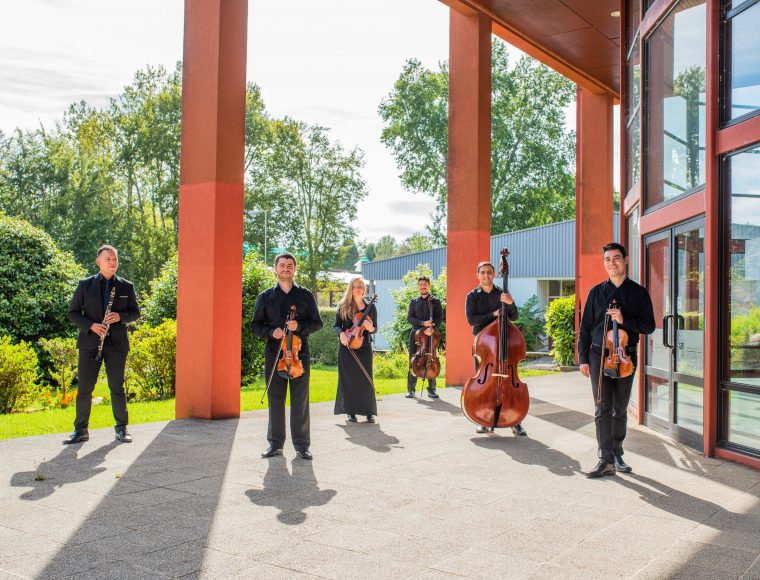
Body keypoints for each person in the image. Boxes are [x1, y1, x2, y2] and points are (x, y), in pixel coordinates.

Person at [578, 242, 655, 478]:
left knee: (620, 409)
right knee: (602, 408)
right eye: (607, 259)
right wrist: (582, 359)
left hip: (626, 355)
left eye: (616, 258)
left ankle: (617, 451)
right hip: (598, 355)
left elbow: (649, 325)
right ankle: (605, 458)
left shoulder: (639, 293)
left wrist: (624, 319)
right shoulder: (596, 292)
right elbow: (584, 329)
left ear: (626, 260)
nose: (612, 263)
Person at [65, 245, 140, 444]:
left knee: (116, 386)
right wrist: (91, 325)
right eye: (108, 259)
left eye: (115, 259)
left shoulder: (126, 286)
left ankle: (122, 429)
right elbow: (72, 313)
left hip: (116, 344)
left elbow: (135, 313)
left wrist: (120, 317)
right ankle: (81, 430)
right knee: (84, 389)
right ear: (98, 261)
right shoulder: (84, 285)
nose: (113, 262)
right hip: (90, 342)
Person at [251, 252, 323, 460]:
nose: (285, 269)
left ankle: (302, 446)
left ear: (294, 269)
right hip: (275, 355)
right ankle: (275, 445)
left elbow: (317, 323)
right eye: (282, 265)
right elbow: (255, 326)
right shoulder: (264, 297)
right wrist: (271, 332)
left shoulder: (305, 295)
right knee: (275, 399)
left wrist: (299, 326)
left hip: (300, 355)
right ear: (275, 269)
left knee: (300, 400)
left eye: (289, 265)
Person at [465, 261, 527, 436]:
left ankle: (516, 421)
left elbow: (514, 316)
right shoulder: (472, 296)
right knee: (484, 386)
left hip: (504, 346)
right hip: (484, 348)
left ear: (494, 274)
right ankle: (483, 421)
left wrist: (511, 302)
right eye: (483, 272)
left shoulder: (502, 293)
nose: (486, 275)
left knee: (509, 384)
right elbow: (472, 320)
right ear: (478, 275)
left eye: (489, 272)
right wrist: (493, 314)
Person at [334, 277, 378, 423]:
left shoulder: (371, 307)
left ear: (364, 289)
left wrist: (370, 327)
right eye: (355, 286)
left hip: (363, 346)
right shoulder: (343, 306)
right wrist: (341, 334)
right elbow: (337, 325)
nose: (358, 289)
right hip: (347, 346)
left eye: (360, 286)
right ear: (351, 289)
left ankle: (369, 412)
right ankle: (350, 411)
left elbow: (374, 328)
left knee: (366, 379)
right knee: (348, 379)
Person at [406, 276, 443, 399]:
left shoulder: (435, 301)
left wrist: (432, 327)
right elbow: (410, 318)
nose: (423, 286)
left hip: (431, 334)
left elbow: (439, 318)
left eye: (425, 284)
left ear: (429, 286)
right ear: (418, 287)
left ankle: (431, 389)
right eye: (421, 284)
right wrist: (423, 324)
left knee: (431, 359)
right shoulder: (413, 302)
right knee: (413, 360)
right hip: (416, 336)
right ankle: (411, 389)